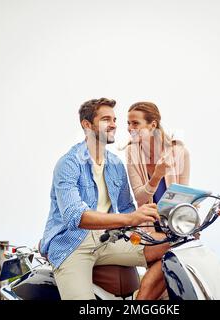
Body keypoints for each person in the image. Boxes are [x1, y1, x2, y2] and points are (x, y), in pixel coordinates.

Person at [40, 98, 169, 300]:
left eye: (114, 119)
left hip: (109, 238)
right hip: (72, 243)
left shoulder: (116, 164)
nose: (114, 125)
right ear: (87, 124)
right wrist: (130, 219)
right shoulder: (68, 164)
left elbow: (126, 208)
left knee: (173, 245)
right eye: (106, 119)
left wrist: (148, 230)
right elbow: (76, 217)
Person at [125, 102, 190, 207]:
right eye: (128, 123)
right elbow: (139, 198)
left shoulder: (180, 153)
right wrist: (157, 176)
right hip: (147, 222)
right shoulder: (131, 152)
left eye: (135, 123)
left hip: (174, 220)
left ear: (153, 125)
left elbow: (183, 196)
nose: (129, 128)